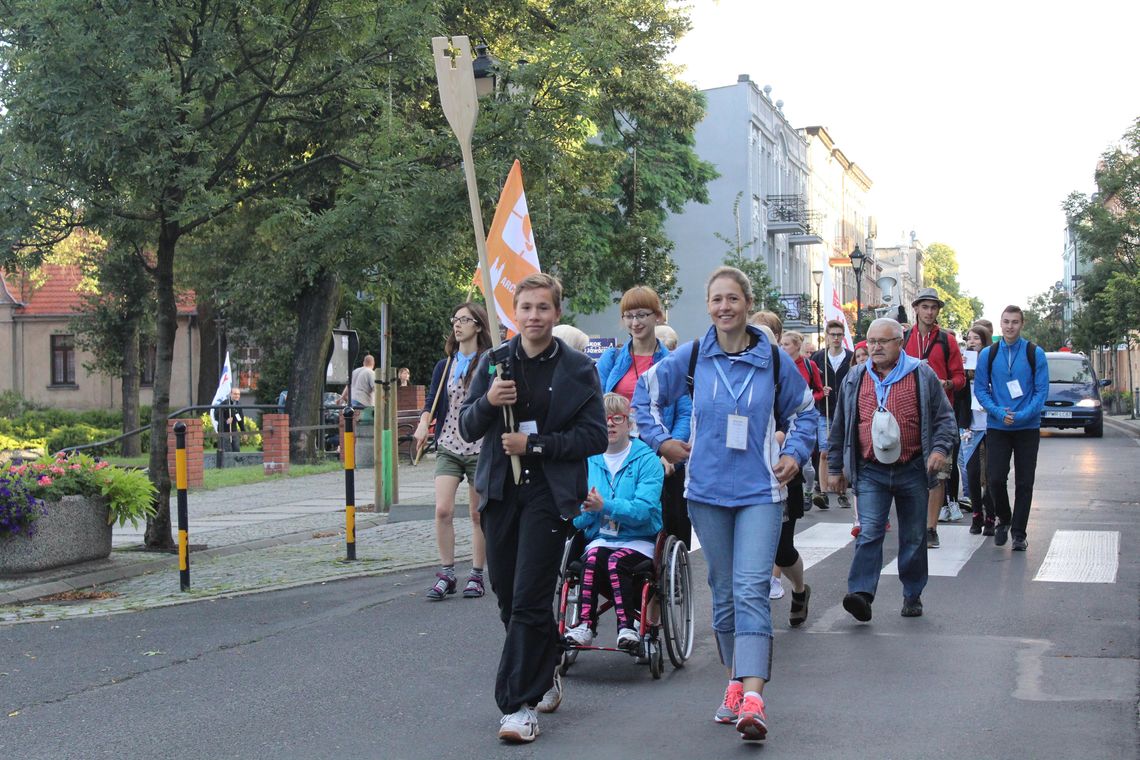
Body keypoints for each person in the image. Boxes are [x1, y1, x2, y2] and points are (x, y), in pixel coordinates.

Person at [634, 266, 817, 742]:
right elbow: (643, 399)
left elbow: (805, 413)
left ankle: (754, 697)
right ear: (708, 304)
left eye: (732, 299)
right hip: (708, 492)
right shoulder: (693, 357)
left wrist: (795, 455)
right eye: (716, 299)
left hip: (760, 492)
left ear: (746, 303)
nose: (723, 307)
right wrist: (662, 443)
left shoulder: (775, 361)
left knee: (752, 587)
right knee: (724, 590)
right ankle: (735, 681)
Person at [459, 273, 607, 744]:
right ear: (513, 313)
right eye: (526, 308)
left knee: (527, 596)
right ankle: (543, 665)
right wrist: (488, 401)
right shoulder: (494, 361)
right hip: (501, 489)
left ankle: (517, 706)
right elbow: (465, 426)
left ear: (557, 313)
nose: (534, 317)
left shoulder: (579, 369)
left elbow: (594, 437)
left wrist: (535, 443)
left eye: (543, 308)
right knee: (506, 593)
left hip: (549, 492)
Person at [828, 318, 956, 621]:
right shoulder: (855, 377)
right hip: (870, 469)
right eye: (871, 341)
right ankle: (861, 593)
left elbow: (945, 420)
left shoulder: (921, 374)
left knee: (913, 537)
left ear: (900, 343)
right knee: (870, 531)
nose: (875, 347)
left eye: (883, 341)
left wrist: (938, 450)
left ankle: (912, 593)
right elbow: (840, 425)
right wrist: (835, 467)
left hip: (911, 467)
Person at [564, 393, 664, 651]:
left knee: (614, 560)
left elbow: (645, 510)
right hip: (600, 537)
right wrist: (586, 510)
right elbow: (576, 517)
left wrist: (605, 505)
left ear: (628, 423)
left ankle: (626, 626)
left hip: (638, 538)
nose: (609, 424)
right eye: (604, 419)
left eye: (616, 418)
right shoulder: (587, 461)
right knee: (594, 556)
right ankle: (585, 624)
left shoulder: (647, 459)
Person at [595, 285, 692, 544]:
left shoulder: (672, 362)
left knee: (669, 528)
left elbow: (684, 414)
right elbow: (595, 406)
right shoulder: (612, 359)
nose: (635, 322)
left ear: (657, 316)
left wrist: (671, 454)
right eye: (629, 316)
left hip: (659, 455)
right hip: (617, 453)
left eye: (642, 315)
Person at [415, 302, 493, 601]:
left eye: (464, 320)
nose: (457, 325)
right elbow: (432, 401)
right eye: (455, 319)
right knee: (443, 509)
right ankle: (447, 572)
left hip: (479, 445)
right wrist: (424, 425)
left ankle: (476, 574)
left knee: (476, 514)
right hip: (448, 443)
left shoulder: (488, 362)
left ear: (478, 325)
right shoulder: (445, 364)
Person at [973, 305, 1049, 551]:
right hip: (998, 426)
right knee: (995, 478)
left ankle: (1019, 533)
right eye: (1006, 321)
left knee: (1025, 482)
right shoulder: (988, 354)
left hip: (1027, 427)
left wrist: (1024, 415)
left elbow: (1041, 391)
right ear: (1001, 323)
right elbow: (981, 390)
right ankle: (1003, 518)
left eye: (1015, 322)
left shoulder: (1034, 353)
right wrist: (997, 411)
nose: (1010, 326)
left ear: (1021, 324)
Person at [902, 288, 965, 548]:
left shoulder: (947, 340)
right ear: (916, 308)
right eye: (925, 307)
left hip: (939, 414)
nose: (929, 312)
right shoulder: (904, 338)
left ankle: (930, 528)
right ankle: (914, 523)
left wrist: (946, 383)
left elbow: (961, 379)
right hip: (909, 413)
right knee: (910, 473)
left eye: (934, 307)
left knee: (937, 472)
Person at [812, 320, 855, 509]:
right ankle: (822, 492)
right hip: (825, 410)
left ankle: (842, 491)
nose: (836, 338)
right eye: (833, 335)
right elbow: (810, 386)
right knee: (824, 451)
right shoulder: (818, 358)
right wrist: (821, 390)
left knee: (844, 450)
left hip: (845, 411)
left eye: (839, 335)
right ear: (827, 336)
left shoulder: (851, 358)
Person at [961, 323, 996, 535]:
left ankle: (991, 515)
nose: (972, 342)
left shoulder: (993, 362)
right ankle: (977, 515)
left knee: (992, 474)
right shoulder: (963, 365)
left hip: (992, 425)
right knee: (972, 472)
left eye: (976, 339)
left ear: (984, 342)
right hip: (971, 426)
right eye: (969, 339)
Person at [217, 386, 246, 452]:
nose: (237, 396)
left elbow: (240, 419)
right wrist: (226, 421)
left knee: (236, 449)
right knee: (227, 450)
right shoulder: (225, 403)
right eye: (235, 394)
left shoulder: (238, 405)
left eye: (238, 394)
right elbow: (217, 416)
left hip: (233, 430)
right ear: (231, 394)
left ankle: (236, 462)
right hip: (224, 430)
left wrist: (243, 431)